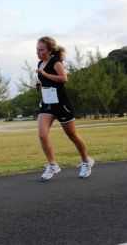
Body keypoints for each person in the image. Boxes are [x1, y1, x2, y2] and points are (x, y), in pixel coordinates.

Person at [35, 36, 94, 181]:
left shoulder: (56, 62)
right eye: (37, 49)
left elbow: (64, 78)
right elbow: (45, 82)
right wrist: (40, 86)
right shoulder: (40, 63)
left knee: (72, 135)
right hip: (47, 105)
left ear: (49, 50)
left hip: (61, 105)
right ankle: (53, 165)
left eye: (41, 50)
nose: (38, 52)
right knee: (42, 134)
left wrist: (45, 75)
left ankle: (86, 161)